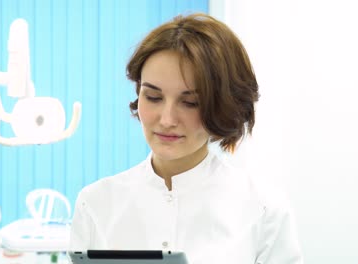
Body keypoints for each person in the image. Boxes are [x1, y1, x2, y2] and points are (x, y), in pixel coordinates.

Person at [69, 13, 303, 263]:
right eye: (153, 97)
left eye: (190, 102)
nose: (167, 119)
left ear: (223, 107)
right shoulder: (96, 203)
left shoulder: (264, 210)